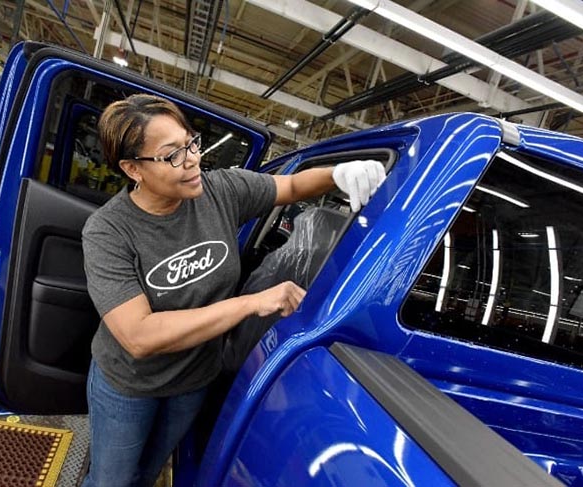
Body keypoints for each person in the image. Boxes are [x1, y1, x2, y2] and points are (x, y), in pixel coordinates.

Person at [80, 93, 386, 487]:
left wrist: (338, 174)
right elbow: (138, 336)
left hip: (192, 381)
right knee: (111, 481)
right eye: (172, 154)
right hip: (129, 385)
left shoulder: (219, 190)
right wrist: (250, 303)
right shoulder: (109, 230)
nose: (192, 159)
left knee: (150, 472)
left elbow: (291, 185)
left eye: (191, 143)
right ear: (132, 168)